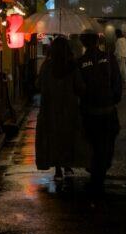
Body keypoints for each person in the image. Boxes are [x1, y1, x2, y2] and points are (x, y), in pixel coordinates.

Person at [74, 31, 122, 192]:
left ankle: (96, 175)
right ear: (97, 41)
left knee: (92, 145)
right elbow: (117, 81)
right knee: (106, 144)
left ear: (83, 43)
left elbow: (78, 88)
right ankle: (100, 175)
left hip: (89, 112)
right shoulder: (109, 58)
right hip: (108, 111)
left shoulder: (80, 62)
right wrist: (113, 98)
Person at [36, 37, 88, 180]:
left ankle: (58, 169)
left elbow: (38, 85)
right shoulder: (72, 66)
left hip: (50, 109)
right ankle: (67, 165)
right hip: (69, 109)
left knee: (54, 138)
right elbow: (80, 87)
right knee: (68, 137)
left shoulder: (47, 66)